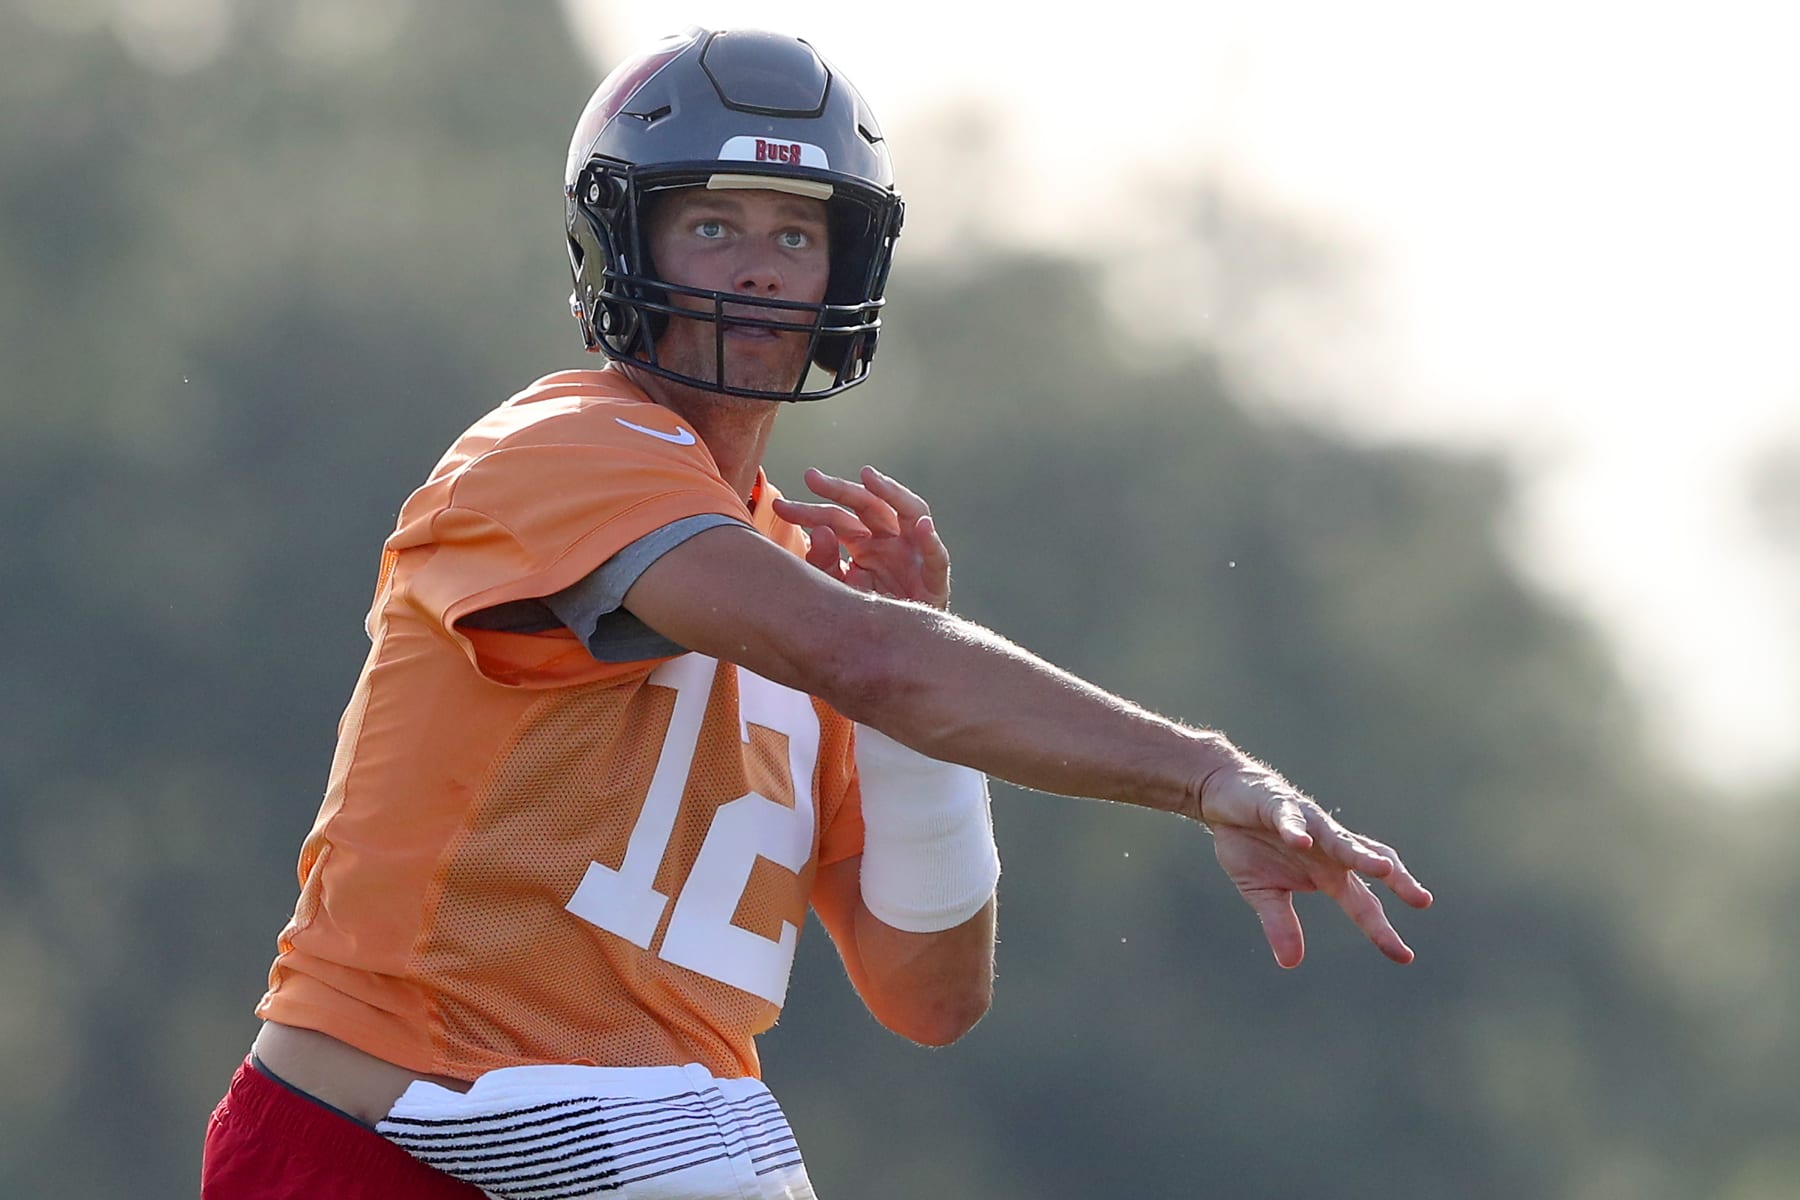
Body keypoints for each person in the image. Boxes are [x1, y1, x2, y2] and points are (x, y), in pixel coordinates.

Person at [201, 25, 1431, 1200]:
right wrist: (1203, 773)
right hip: (385, 1154)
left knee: (706, 1128)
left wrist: (910, 738)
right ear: (621, 242)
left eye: (795, 233)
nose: (754, 264)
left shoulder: (810, 583)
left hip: (636, 1152)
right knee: (711, 1135)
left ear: (846, 269)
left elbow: (928, 998)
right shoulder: (565, 446)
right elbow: (866, 657)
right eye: (713, 223)